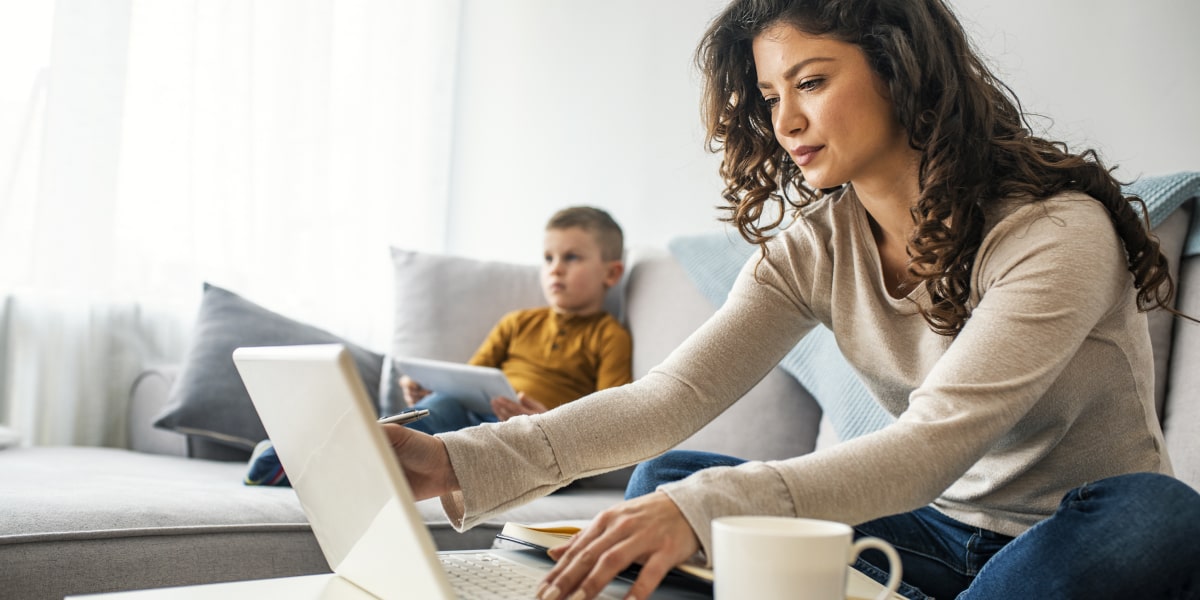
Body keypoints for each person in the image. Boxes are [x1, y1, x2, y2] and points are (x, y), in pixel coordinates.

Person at [383, 1, 1200, 599]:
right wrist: (460, 457)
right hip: (927, 533)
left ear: (900, 70)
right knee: (672, 474)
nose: (787, 120)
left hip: (1075, 533)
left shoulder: (1055, 231)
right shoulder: (816, 245)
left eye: (810, 81)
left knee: (1160, 516)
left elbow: (932, 444)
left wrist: (703, 508)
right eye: (772, 96)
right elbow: (672, 397)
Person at [401, 205, 632, 434]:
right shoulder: (518, 322)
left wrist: (547, 424)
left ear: (611, 274)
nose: (555, 269)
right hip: (472, 414)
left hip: (534, 433)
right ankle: (391, 439)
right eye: (548, 258)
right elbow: (468, 381)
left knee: (512, 439)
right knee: (441, 404)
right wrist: (428, 391)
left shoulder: (610, 336)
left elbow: (610, 419)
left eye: (571, 257)